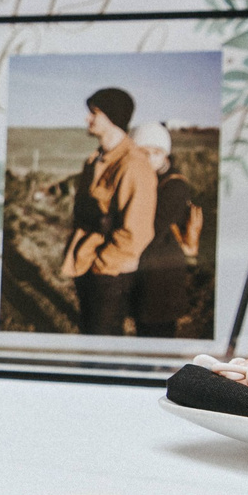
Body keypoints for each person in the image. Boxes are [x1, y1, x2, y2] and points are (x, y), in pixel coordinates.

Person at [59, 86, 155, 337]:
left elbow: (137, 232)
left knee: (104, 338)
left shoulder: (134, 164)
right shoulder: (95, 160)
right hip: (88, 261)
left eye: (94, 112)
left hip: (111, 272)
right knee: (89, 332)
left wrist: (103, 264)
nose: (87, 118)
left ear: (112, 117)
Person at [131, 120, 202, 339]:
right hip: (148, 266)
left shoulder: (174, 185)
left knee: (158, 328)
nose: (150, 157)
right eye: (143, 151)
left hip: (163, 268)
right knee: (145, 326)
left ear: (165, 155)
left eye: (156, 152)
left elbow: (154, 228)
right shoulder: (145, 178)